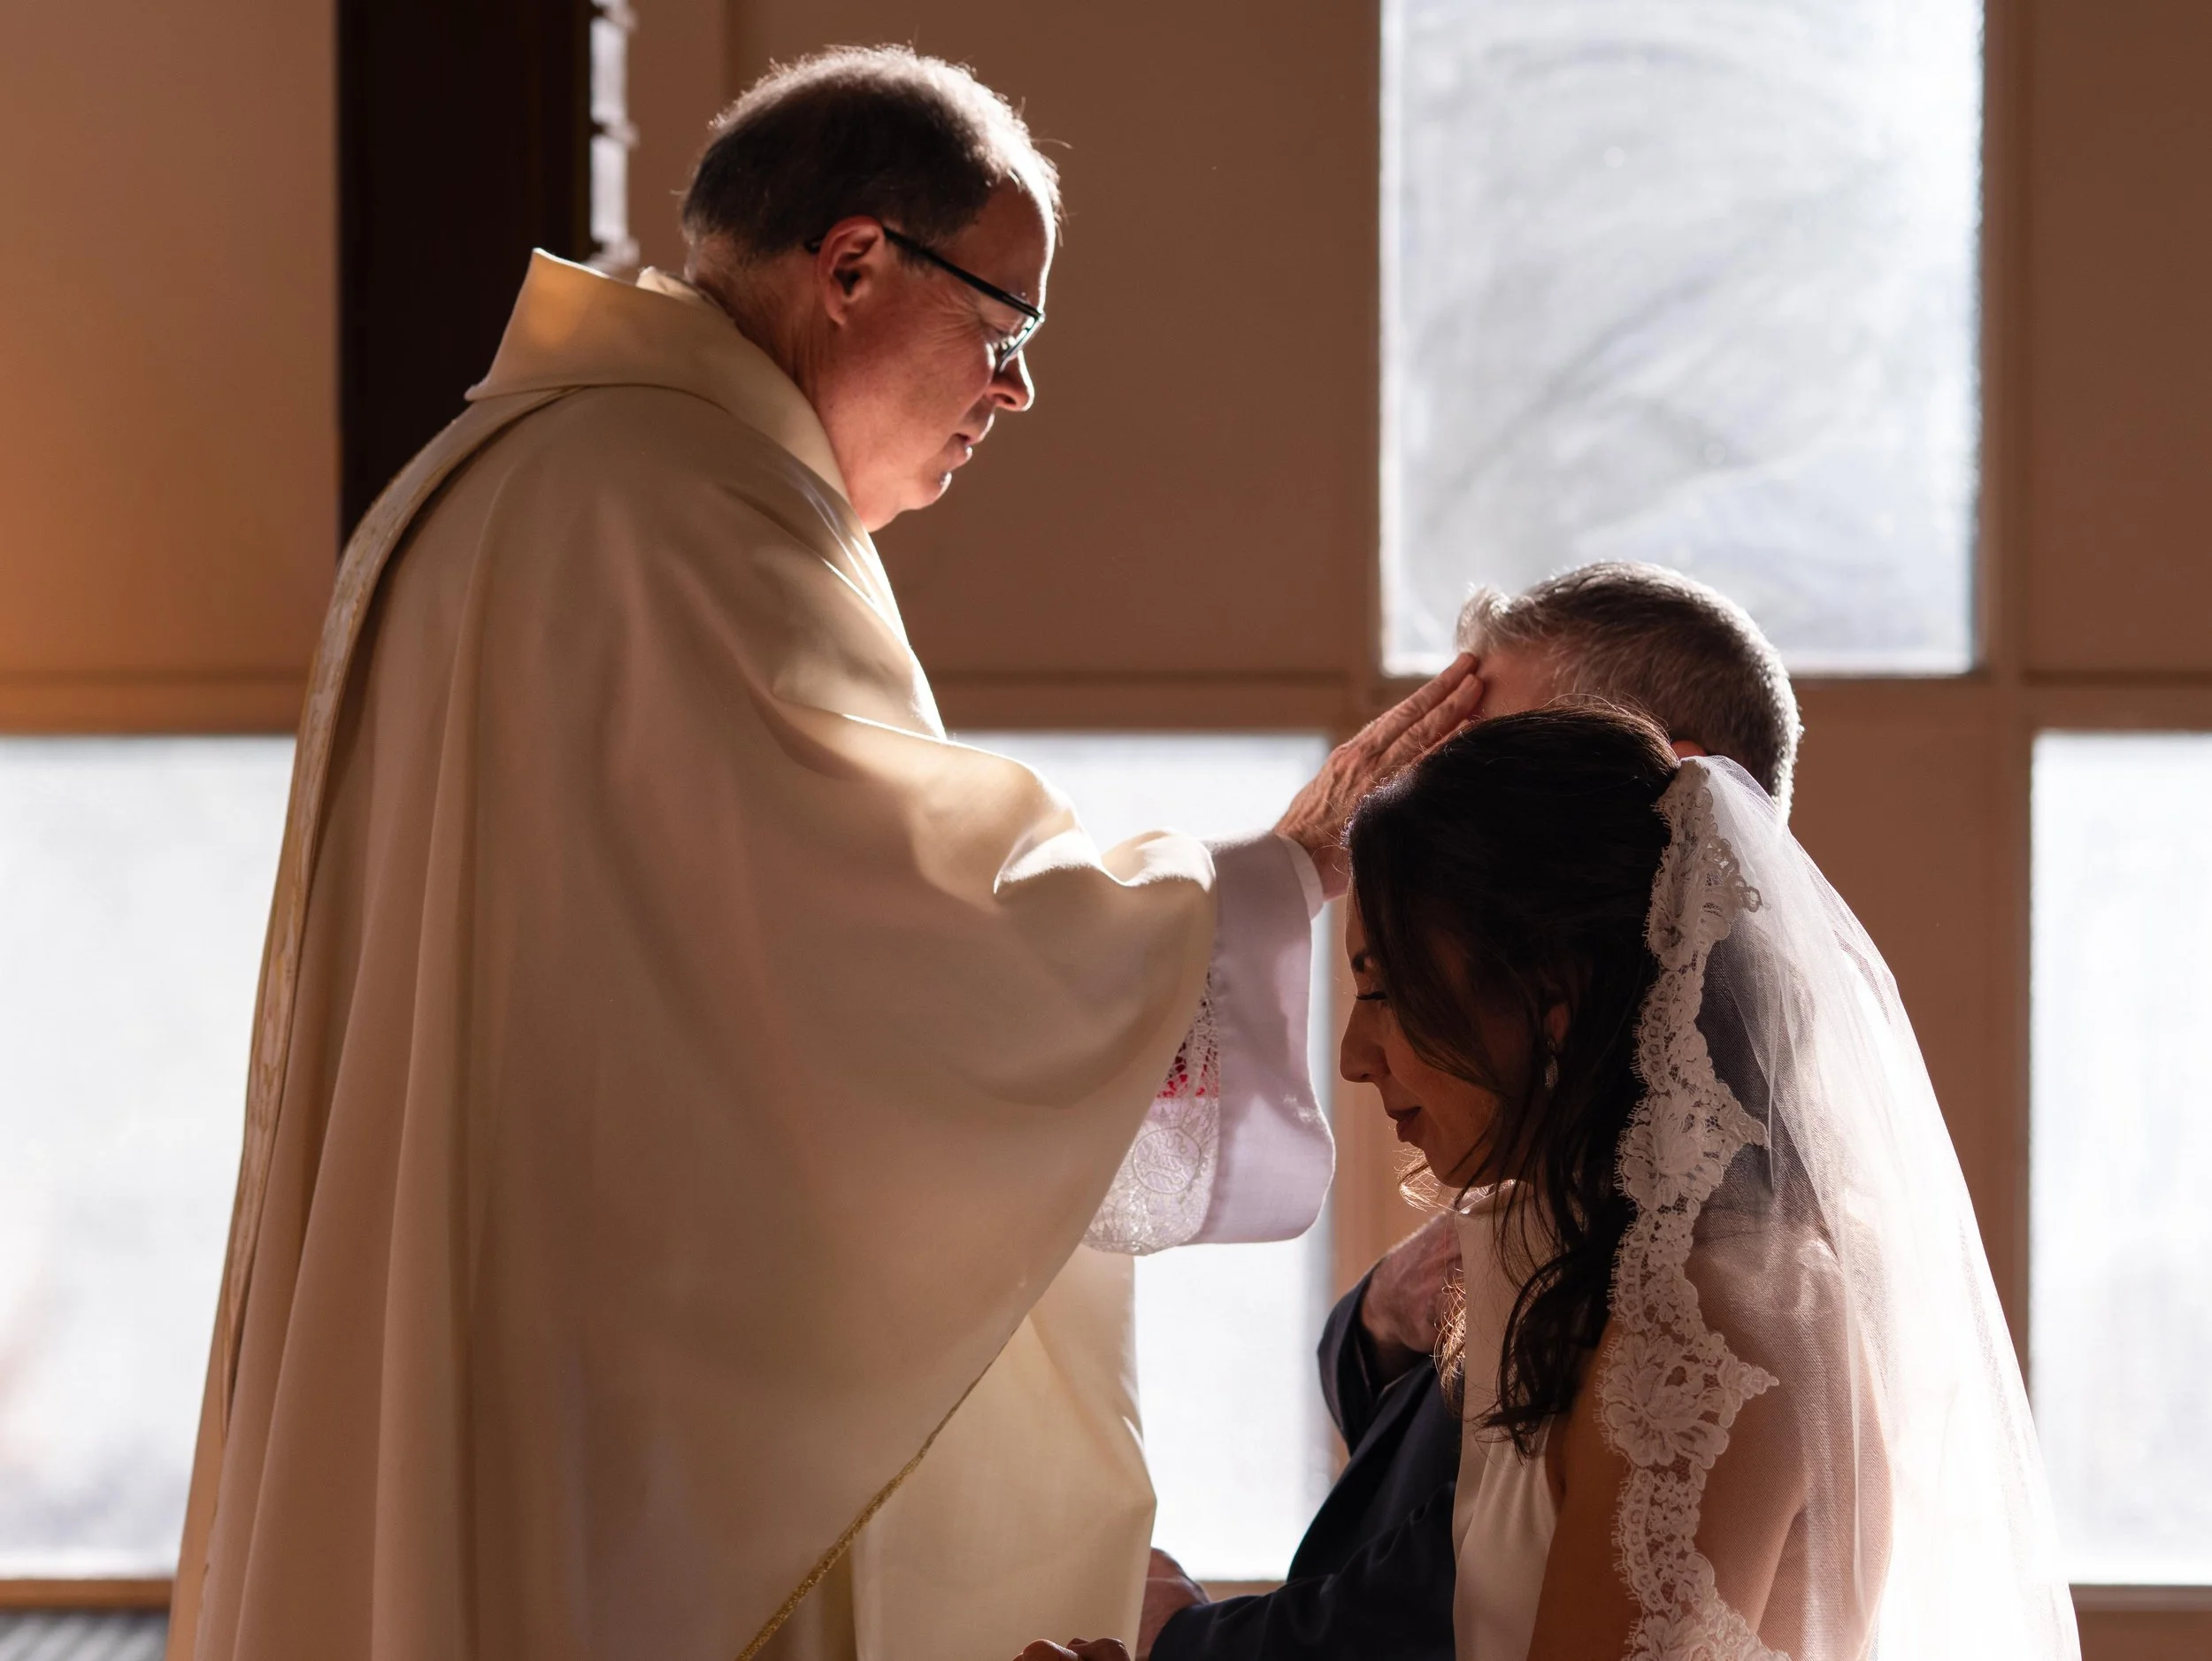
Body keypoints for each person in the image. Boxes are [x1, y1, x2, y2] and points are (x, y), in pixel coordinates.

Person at [166, 46, 1480, 1661]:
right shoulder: (687, 508)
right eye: (1004, 328)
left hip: (521, 1328)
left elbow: (767, 963)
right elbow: (900, 957)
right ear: (855, 263)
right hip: (620, 1397)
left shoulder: (529, 473)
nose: (1016, 389)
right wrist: (1268, 883)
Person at [1029, 706, 2077, 1660]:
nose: (1353, 1053)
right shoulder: (1600, 1274)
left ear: (1552, 1002)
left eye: (1387, 989)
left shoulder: (1720, 1308)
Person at [1142, 562, 1803, 1661]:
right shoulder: (1579, 1146)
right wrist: (1382, 1325)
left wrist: (1182, 1645)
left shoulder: (1716, 1247)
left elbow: (1438, 1596)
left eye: (1482, 747)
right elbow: (1472, 1506)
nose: (1424, 785)